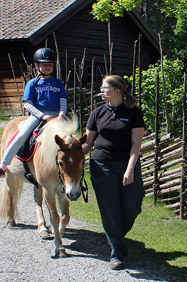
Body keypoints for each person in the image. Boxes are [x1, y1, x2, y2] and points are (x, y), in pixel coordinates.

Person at [82, 75, 145, 270]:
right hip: (102, 165)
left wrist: (130, 168)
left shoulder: (133, 113)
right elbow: (88, 143)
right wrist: (71, 155)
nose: (101, 91)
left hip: (127, 164)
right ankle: (116, 252)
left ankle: (115, 237)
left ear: (117, 90)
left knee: (133, 206)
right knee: (110, 209)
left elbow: (136, 144)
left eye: (104, 88)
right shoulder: (97, 113)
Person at [0, 48, 67, 180]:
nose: (47, 67)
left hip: (55, 116)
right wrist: (42, 116)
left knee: (70, 139)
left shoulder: (58, 83)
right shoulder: (32, 84)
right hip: (37, 116)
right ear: (37, 65)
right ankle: (2, 166)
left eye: (50, 65)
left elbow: (63, 101)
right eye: (44, 64)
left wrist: (61, 114)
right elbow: (28, 104)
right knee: (21, 135)